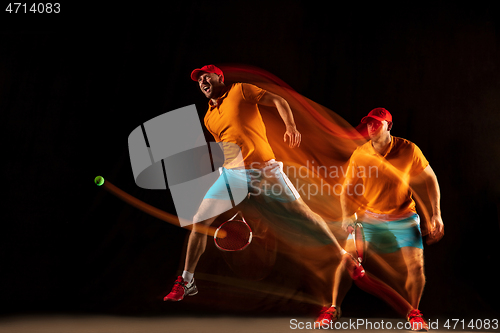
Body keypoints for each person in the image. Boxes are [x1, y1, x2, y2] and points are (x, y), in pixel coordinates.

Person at [163, 64, 349, 302]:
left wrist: (290, 126)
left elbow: (280, 101)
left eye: (206, 77)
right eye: (199, 81)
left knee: (303, 213)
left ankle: (342, 254)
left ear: (219, 77)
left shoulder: (241, 90)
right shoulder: (209, 117)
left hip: (266, 170)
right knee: (200, 221)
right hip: (233, 174)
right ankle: (186, 281)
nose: (202, 83)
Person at [318, 108, 444, 331]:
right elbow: (346, 190)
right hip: (370, 217)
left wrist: (436, 214)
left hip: (403, 217)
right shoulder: (360, 154)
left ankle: (414, 313)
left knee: (416, 267)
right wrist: (348, 216)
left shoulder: (409, 149)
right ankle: (332, 308)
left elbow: (431, 179)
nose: (371, 128)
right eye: (368, 123)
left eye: (377, 123)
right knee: (347, 259)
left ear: (389, 126)